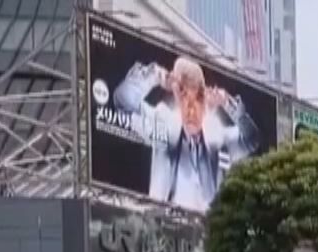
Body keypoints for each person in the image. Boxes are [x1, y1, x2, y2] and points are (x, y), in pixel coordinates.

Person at [110, 56, 262, 213]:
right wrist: (154, 75)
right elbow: (123, 102)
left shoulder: (216, 134)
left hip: (207, 231)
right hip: (163, 226)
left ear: (205, 101)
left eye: (197, 99)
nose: (191, 110)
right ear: (176, 98)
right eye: (184, 98)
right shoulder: (163, 120)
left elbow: (251, 139)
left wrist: (227, 102)